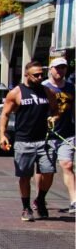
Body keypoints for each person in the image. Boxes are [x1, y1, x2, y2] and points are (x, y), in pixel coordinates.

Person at [0, 61, 60, 221]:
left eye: (42, 74)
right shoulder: (16, 93)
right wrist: (2, 135)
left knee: (48, 171)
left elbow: (56, 109)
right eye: (36, 75)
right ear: (26, 75)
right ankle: (26, 207)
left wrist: (53, 117)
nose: (40, 77)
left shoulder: (47, 91)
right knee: (25, 175)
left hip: (44, 140)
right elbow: (5, 114)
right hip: (23, 140)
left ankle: (40, 199)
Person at [41, 58, 75, 213]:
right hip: (46, 135)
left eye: (63, 68)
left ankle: (74, 201)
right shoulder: (43, 88)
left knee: (67, 165)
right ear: (50, 69)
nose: (60, 71)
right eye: (57, 68)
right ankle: (41, 198)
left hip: (67, 133)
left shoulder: (70, 87)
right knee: (46, 171)